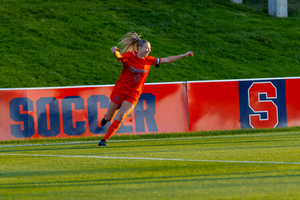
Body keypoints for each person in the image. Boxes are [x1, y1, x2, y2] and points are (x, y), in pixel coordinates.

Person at [98, 31, 193, 146]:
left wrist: (183, 55)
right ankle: (106, 119)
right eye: (147, 48)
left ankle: (104, 140)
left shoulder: (149, 60)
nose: (149, 50)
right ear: (139, 48)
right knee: (109, 117)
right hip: (120, 90)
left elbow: (166, 59)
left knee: (121, 116)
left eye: (150, 48)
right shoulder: (129, 56)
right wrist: (115, 52)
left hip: (133, 94)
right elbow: (120, 57)